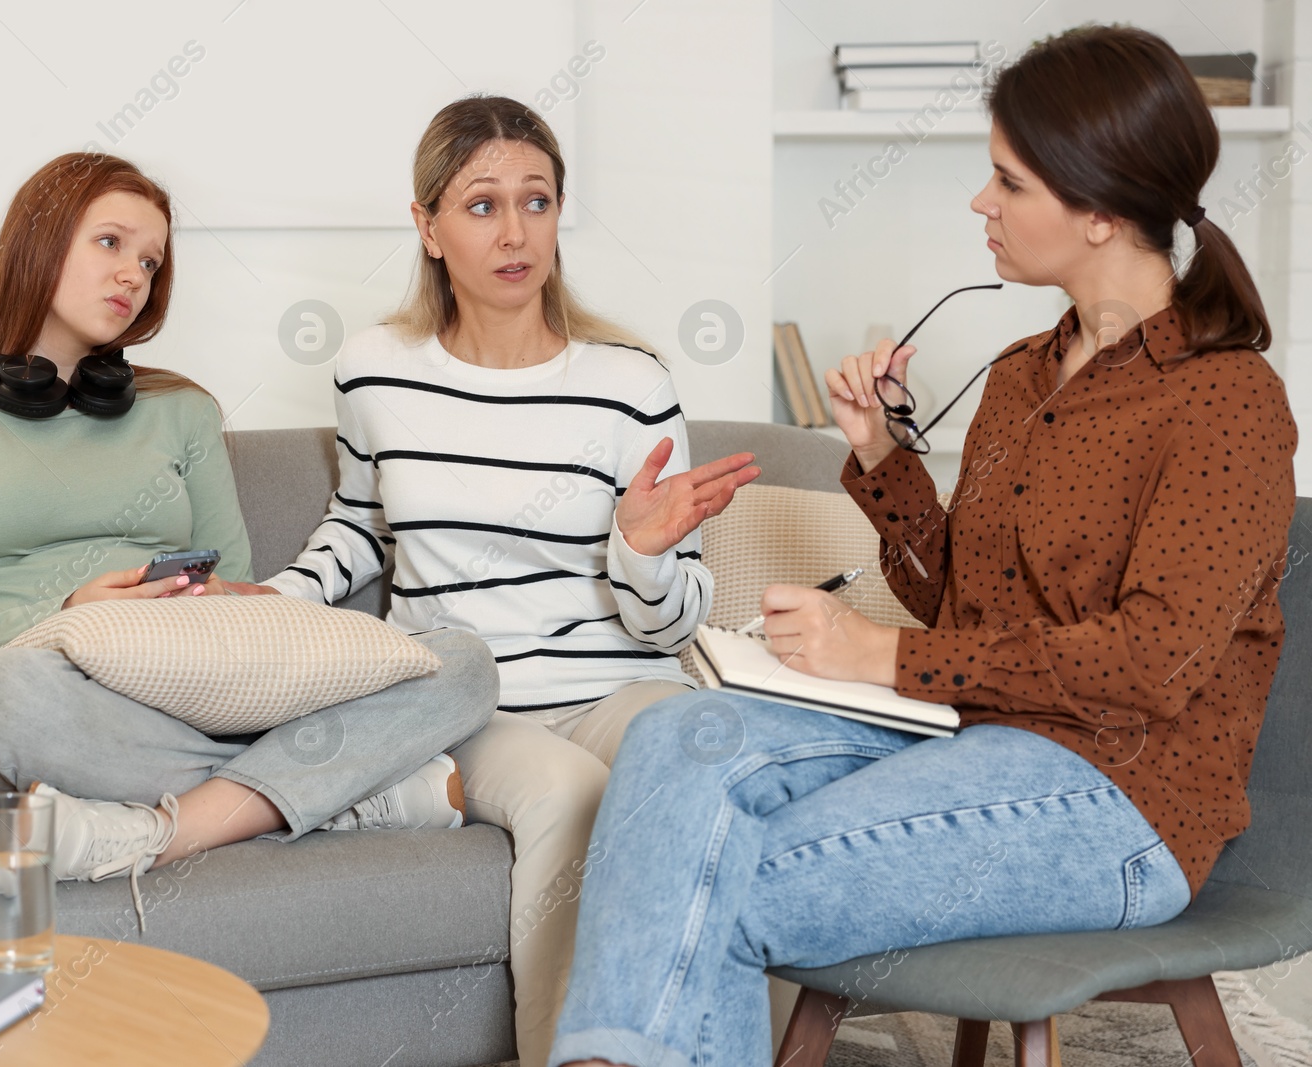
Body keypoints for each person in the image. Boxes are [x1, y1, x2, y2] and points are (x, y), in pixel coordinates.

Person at [549, 25, 1297, 1067]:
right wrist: (879, 455)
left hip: (1124, 803)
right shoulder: (1021, 373)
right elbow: (962, 606)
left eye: (1007, 180)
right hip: (966, 736)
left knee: (703, 878)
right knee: (676, 740)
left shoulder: (1225, 400)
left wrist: (878, 656)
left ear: (1096, 209)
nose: (980, 204)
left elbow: (1148, 666)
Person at [0, 152, 499, 931]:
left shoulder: (184, 414)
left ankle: (157, 832)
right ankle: (340, 796)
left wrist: (202, 599)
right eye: (111, 243)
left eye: (150, 259)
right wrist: (68, 611)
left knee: (463, 662)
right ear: (40, 242)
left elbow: (238, 597)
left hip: (195, 694)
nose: (133, 273)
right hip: (53, 711)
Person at [260, 96, 759, 1065]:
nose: (514, 229)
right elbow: (359, 527)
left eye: (536, 200)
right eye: (481, 205)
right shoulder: (374, 371)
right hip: (477, 705)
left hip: (621, 683)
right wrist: (265, 605)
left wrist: (641, 552)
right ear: (427, 226)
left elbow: (677, 621)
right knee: (570, 794)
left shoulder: (630, 381)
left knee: (716, 749)